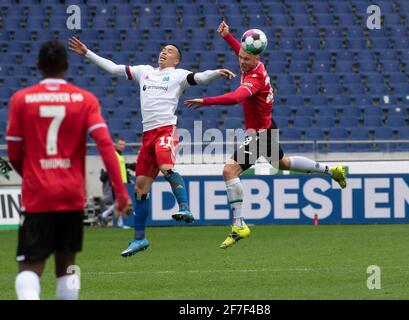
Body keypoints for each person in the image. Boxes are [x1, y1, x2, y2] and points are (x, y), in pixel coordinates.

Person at [185, 21, 347, 249]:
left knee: (229, 170)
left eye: (245, 59)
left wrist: (206, 101)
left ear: (256, 59)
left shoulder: (255, 79)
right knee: (283, 163)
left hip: (260, 134)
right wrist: (228, 37)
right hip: (267, 127)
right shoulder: (250, 62)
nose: (241, 61)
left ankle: (239, 224)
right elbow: (242, 51)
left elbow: (235, 98)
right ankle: (331, 170)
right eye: (240, 56)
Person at [68, 37, 236, 257]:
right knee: (139, 188)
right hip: (147, 136)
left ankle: (184, 207)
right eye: (163, 49)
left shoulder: (178, 75)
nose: (164, 52)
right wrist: (87, 52)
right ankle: (139, 239)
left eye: (169, 51)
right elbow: (114, 68)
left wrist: (216, 72)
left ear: (176, 60)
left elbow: (201, 78)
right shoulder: (143, 71)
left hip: (165, 131)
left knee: (166, 166)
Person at [5, 40, 132, 300]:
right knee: (68, 266)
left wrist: (31, 174)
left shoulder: (21, 100)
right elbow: (106, 146)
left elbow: (14, 154)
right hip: (71, 197)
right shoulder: (85, 100)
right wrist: (121, 192)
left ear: (39, 65)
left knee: (29, 266)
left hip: (38, 195)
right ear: (66, 65)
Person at [99, 137, 135, 228]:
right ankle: (106, 216)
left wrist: (127, 179)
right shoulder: (114, 155)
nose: (122, 146)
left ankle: (106, 216)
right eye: (120, 144)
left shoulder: (120, 156)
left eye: (123, 145)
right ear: (115, 145)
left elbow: (121, 170)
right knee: (120, 202)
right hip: (117, 183)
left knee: (119, 203)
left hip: (122, 182)